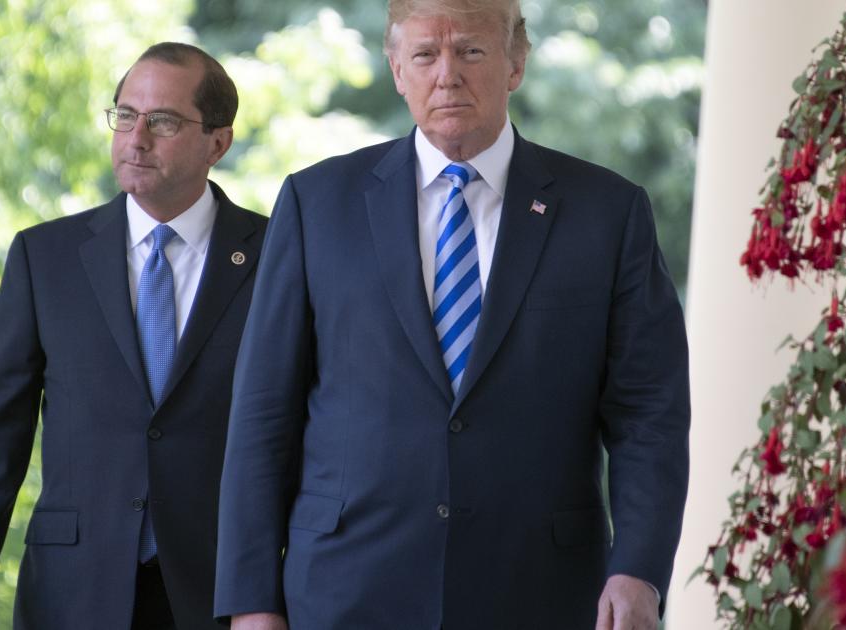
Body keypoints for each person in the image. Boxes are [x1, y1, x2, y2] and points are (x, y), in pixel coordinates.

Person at [213, 0, 690, 628]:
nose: (447, 74)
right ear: (396, 69)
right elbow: (263, 412)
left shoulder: (608, 212)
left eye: (470, 50)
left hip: (539, 592)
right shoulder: (316, 202)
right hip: (345, 589)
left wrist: (639, 570)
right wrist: (250, 601)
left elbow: (649, 414)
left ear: (516, 62)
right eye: (424, 54)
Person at [0, 42, 267, 630]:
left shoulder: (278, 256)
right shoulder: (45, 257)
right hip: (71, 593)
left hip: (225, 593)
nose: (136, 139)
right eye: (125, 116)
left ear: (218, 142)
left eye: (162, 121)